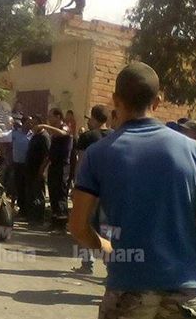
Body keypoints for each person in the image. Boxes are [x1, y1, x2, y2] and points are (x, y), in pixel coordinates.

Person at [69, 62, 196, 319]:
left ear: (116, 100)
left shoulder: (98, 154)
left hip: (128, 290)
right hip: (186, 292)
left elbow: (78, 225)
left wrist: (104, 246)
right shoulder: (194, 151)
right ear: (158, 101)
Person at [71, 104, 112, 275]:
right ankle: (112, 266)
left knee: (85, 223)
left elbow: (81, 163)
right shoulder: (114, 135)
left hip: (89, 188)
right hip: (110, 188)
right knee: (108, 227)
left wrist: (76, 185)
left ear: (94, 119)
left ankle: (87, 263)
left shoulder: (87, 137)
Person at [36, 108, 73, 232]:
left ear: (58, 117)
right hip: (54, 166)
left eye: (51, 117)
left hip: (63, 167)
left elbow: (63, 133)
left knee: (60, 194)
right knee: (53, 193)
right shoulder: (54, 135)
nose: (49, 119)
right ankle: (54, 221)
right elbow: (51, 153)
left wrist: (45, 126)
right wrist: (43, 166)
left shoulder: (65, 128)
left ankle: (61, 225)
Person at [25, 115, 50, 224]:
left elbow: (47, 156)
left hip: (38, 170)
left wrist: (42, 170)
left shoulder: (44, 137)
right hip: (30, 169)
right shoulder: (34, 136)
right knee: (31, 193)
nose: (32, 125)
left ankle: (39, 218)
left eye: (34, 123)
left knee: (38, 194)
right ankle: (31, 217)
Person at [12, 116, 33, 217]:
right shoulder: (15, 134)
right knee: (18, 186)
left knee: (26, 187)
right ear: (23, 123)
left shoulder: (32, 135)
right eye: (28, 122)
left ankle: (26, 209)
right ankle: (20, 208)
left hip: (27, 165)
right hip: (17, 164)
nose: (30, 124)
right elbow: (7, 145)